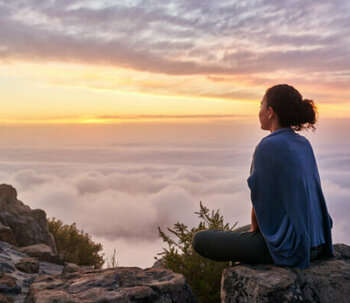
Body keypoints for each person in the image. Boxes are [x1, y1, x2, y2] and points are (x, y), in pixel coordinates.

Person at [192, 84, 334, 268]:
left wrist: (255, 233)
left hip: (293, 249)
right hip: (317, 241)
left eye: (261, 106)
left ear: (270, 112)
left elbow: (260, 204)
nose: (258, 111)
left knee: (200, 240)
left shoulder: (267, 147)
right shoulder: (303, 143)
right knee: (237, 232)